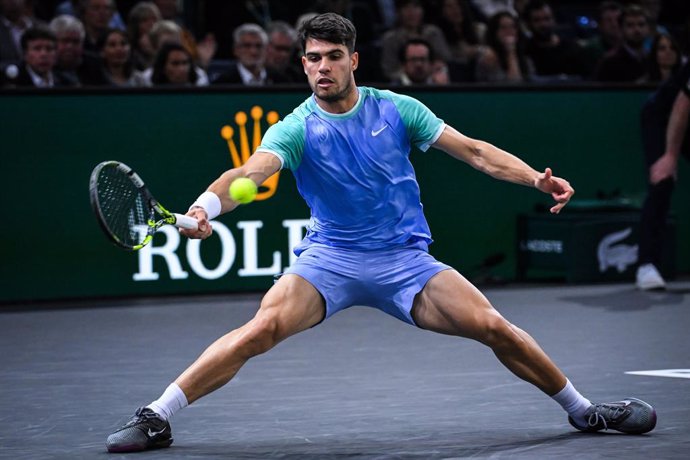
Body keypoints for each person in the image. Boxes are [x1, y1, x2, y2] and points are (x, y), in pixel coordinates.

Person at [105, 12, 657, 454]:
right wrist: (206, 207)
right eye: (313, 59)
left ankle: (584, 411)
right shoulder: (295, 127)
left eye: (333, 57)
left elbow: (475, 153)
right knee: (261, 329)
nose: (322, 68)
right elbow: (247, 175)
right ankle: (157, 416)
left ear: (354, 61)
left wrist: (535, 178)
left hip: (404, 261)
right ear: (303, 64)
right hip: (330, 261)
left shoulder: (397, 110)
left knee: (494, 326)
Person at [637, 59, 690, 290]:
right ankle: (646, 265)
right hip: (663, 117)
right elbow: (682, 105)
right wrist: (669, 156)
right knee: (662, 181)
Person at [380, 0, 451, 82]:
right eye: (406, 8)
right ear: (399, 12)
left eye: (416, 7)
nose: (411, 13)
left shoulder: (433, 33)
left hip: (432, 82)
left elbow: (444, 62)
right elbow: (389, 70)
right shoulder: (390, 39)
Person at [521, 0, 587, 81]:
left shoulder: (572, 48)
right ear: (528, 23)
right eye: (537, 20)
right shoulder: (525, 50)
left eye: (547, 19)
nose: (543, 24)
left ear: (554, 20)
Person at [212, 22, 290, 86]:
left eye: (258, 46)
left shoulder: (281, 81)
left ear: (266, 50)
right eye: (247, 46)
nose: (253, 51)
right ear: (236, 50)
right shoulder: (222, 83)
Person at [1, 26, 76, 88]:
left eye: (49, 49)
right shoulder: (10, 81)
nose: (44, 54)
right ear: (25, 54)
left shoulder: (67, 83)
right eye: (37, 48)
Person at [595, 4, 651, 83]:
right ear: (621, 29)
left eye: (641, 25)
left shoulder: (653, 59)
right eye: (630, 25)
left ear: (648, 28)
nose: (637, 30)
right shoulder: (609, 62)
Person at [475, 11, 533, 83]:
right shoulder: (488, 57)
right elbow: (512, 85)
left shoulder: (525, 57)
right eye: (503, 27)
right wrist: (511, 53)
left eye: (513, 27)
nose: (509, 31)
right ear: (494, 32)